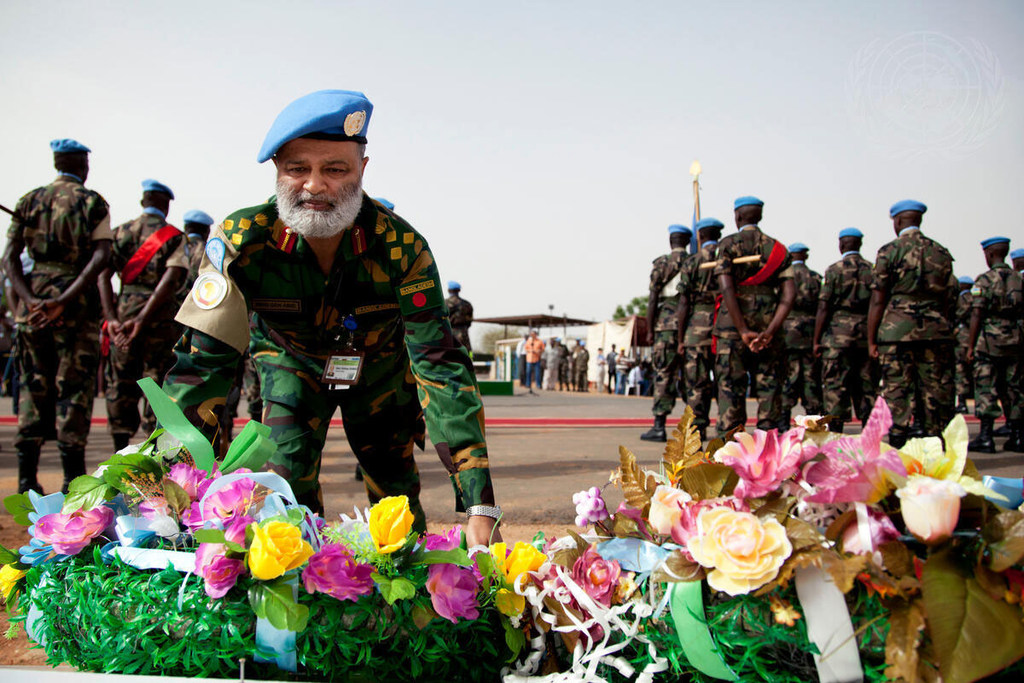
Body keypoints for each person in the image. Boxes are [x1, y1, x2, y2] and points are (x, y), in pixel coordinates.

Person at [162, 90, 500, 546]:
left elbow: (440, 368)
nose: (315, 185)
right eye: (297, 168)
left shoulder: (403, 249)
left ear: (362, 169)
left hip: (380, 373)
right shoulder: (243, 242)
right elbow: (203, 367)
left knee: (395, 502)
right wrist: (170, 482)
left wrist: (479, 502)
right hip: (291, 367)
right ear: (278, 170)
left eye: (335, 169)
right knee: (283, 499)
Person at [3, 138, 112, 493]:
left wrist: (31, 301)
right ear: (83, 166)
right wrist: (63, 299)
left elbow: (9, 260)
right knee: (74, 392)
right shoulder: (92, 202)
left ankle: (25, 480)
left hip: (32, 309)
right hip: (75, 310)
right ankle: (71, 482)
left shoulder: (29, 200)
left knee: (33, 388)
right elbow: (100, 259)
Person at [99, 179, 188, 450]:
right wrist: (142, 319)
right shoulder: (173, 236)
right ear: (166, 205)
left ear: (142, 202)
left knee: (121, 384)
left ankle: (120, 449)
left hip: (122, 317)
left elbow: (102, 275)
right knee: (157, 387)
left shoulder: (119, 233)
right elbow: (171, 279)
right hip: (158, 323)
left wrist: (112, 318)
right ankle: (153, 450)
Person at [867, 200, 956, 447]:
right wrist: (942, 325)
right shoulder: (941, 252)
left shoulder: (889, 251)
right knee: (933, 389)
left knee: (897, 389)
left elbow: (878, 299)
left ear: (897, 222)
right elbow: (950, 296)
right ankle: (933, 445)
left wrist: (872, 339)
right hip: (935, 331)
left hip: (896, 332)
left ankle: (898, 444)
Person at [712, 196, 795, 435]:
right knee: (770, 388)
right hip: (769, 326)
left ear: (737, 217)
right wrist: (769, 332)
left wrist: (742, 330)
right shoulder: (777, 249)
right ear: (760, 216)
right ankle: (768, 448)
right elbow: (789, 295)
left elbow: (726, 287)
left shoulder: (727, 244)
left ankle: (729, 450)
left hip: (732, 328)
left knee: (730, 387)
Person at [812, 228, 876, 433]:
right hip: (866, 334)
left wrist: (816, 339)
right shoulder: (872, 270)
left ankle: (835, 432)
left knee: (835, 385)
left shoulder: (834, 271)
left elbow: (824, 307)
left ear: (841, 245)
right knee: (866, 384)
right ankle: (868, 432)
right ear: (860, 244)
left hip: (838, 336)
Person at [966, 237, 1023, 452]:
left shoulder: (984, 280)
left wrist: (970, 346)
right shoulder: (1019, 279)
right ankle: (1017, 436)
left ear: (989, 255)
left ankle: (986, 437)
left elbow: (977, 313)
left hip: (989, 341)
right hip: (1016, 340)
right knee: (1014, 388)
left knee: (986, 387)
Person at [641, 224, 691, 441]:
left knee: (664, 375)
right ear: (687, 242)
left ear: (671, 241)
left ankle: (659, 426)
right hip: (691, 326)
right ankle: (695, 428)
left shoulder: (661, 264)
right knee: (693, 378)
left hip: (665, 327)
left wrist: (650, 329)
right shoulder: (695, 262)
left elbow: (653, 299)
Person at [676, 217, 723, 441]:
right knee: (726, 382)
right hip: (724, 324)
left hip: (696, 329)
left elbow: (684, 302)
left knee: (696, 384)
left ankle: (697, 430)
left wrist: (680, 337)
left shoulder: (692, 262)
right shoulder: (729, 259)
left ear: (700, 236)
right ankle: (727, 430)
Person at [779, 242, 822, 429]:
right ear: (805, 256)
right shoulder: (815, 278)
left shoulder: (782, 279)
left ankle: (782, 422)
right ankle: (813, 421)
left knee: (788, 379)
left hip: (787, 334)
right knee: (811, 380)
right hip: (810, 334)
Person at [177, 209, 215, 303]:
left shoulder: (175, 245)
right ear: (207, 231)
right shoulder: (208, 250)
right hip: (194, 302)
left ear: (185, 228)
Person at [954, 276, 975, 415]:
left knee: (960, 370)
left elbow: (959, 314)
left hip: (962, 339)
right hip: (973, 339)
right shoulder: (974, 298)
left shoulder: (963, 299)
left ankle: (961, 403)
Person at [445, 281, 474, 354]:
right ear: (459, 290)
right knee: (465, 356)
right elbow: (469, 321)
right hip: (463, 334)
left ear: (448, 290)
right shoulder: (467, 304)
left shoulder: (444, 304)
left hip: (448, 334)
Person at [523, 329, 544, 394]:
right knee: (528, 372)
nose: (532, 335)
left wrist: (538, 351)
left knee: (537, 373)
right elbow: (525, 348)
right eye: (531, 334)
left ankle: (538, 385)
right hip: (529, 359)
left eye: (533, 334)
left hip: (536, 359)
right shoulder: (528, 341)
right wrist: (530, 351)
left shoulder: (540, 341)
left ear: (536, 334)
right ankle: (528, 384)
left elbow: (543, 349)